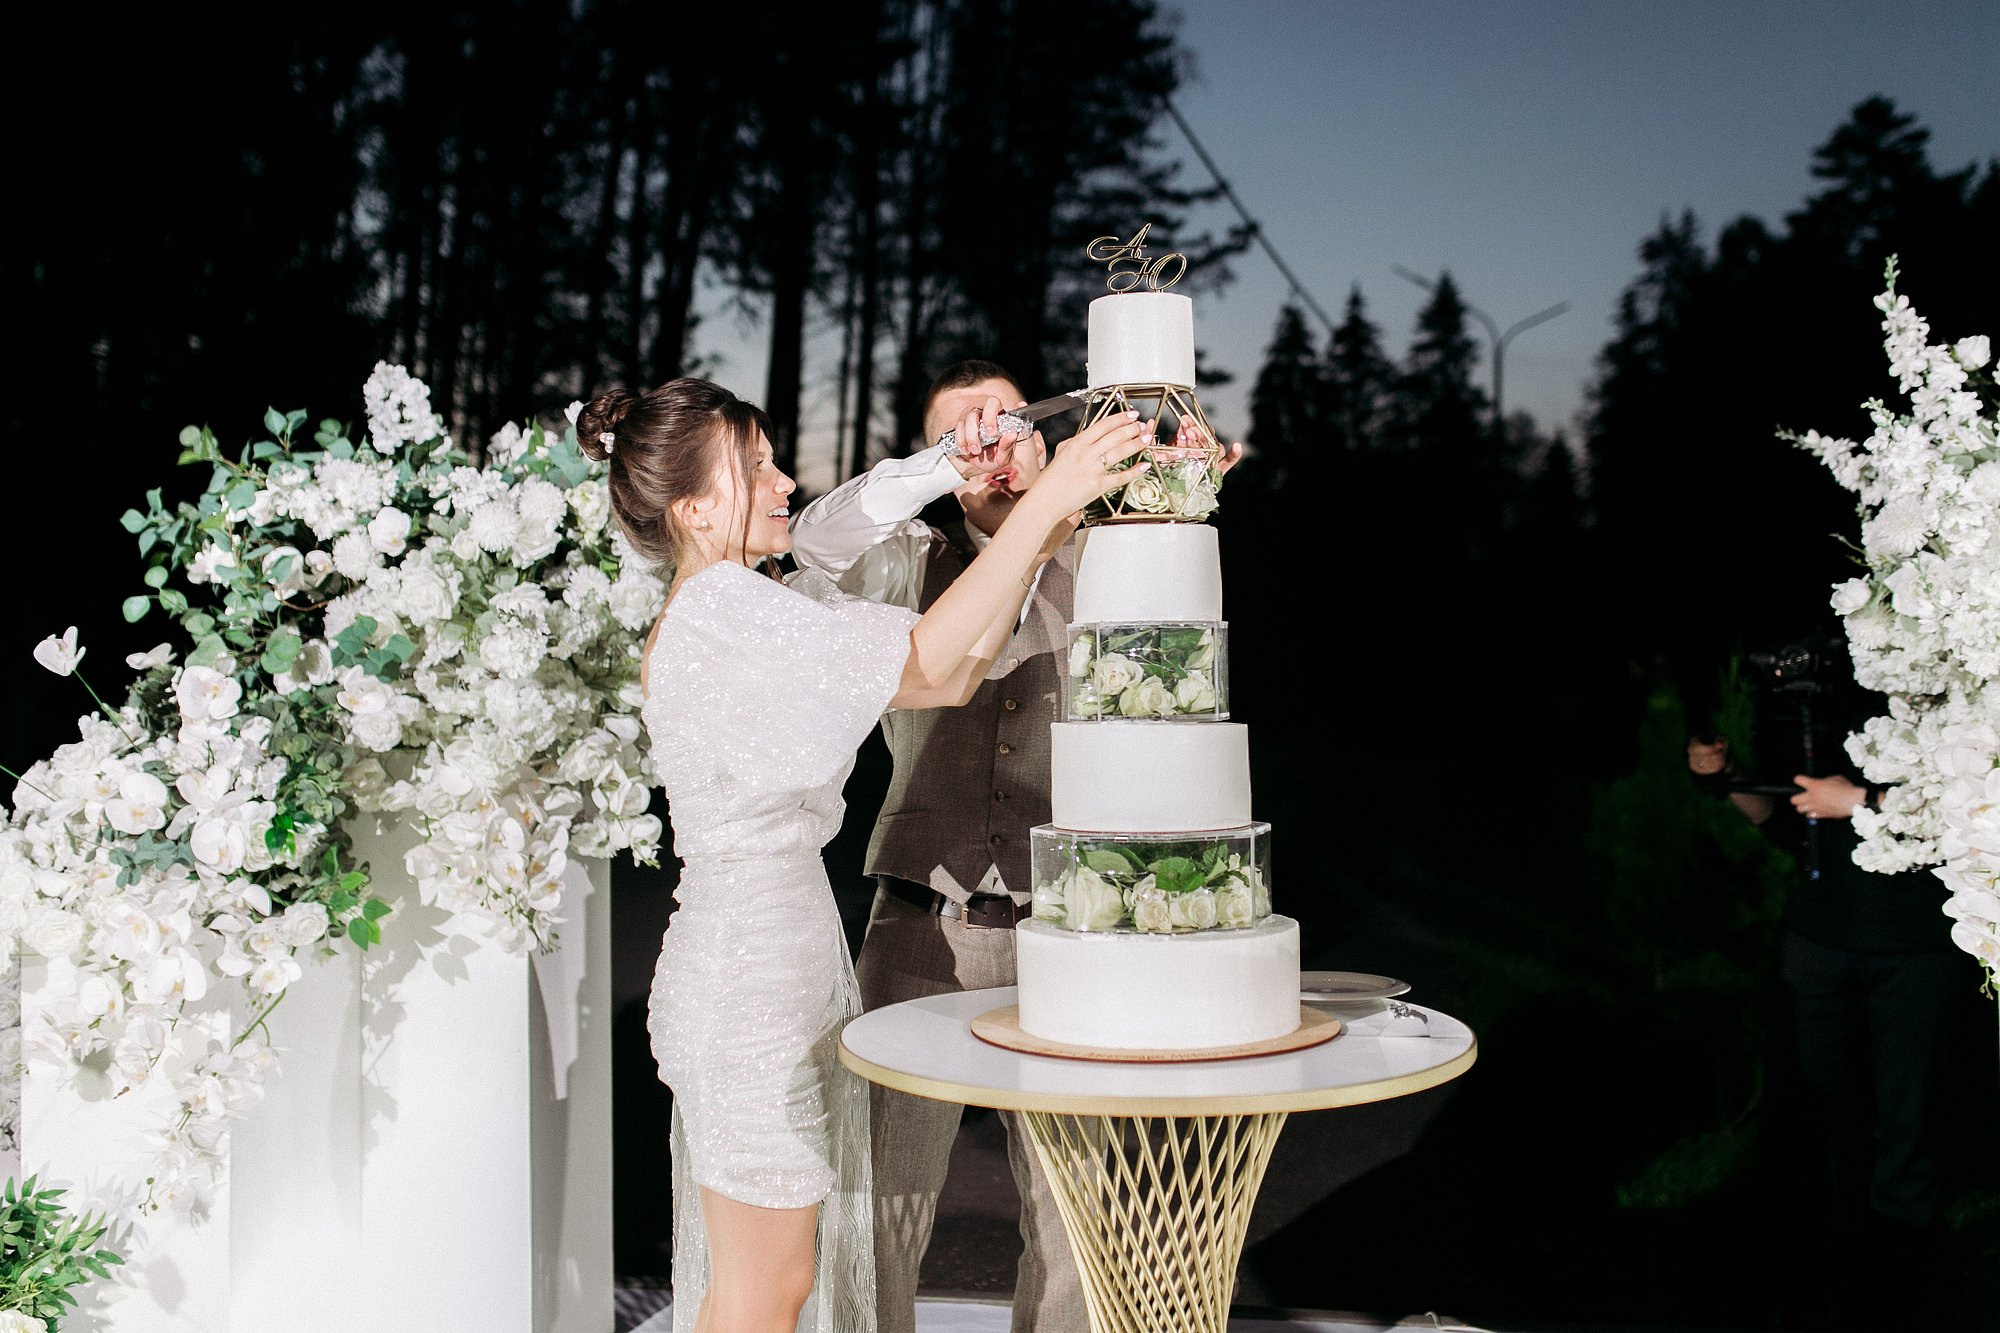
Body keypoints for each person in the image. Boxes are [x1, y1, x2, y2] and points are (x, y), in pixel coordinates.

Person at [579, 376, 1151, 1333]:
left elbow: (956, 669)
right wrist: (1049, 500)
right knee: (766, 1294)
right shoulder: (725, 606)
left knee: (773, 1286)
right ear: (695, 503)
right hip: (745, 990)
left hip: (778, 974)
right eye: (757, 464)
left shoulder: (753, 602)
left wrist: (968, 479)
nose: (784, 479)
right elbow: (928, 659)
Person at [789, 360, 1239, 1333]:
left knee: (1077, 1218)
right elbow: (814, 539)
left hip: (1069, 934)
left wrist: (1183, 485)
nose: (989, 444)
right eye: (963, 432)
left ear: (1043, 435)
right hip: (915, 917)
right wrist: (927, 469)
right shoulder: (900, 559)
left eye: (1003, 421)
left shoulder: (1118, 557)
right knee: (872, 1204)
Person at [1686, 637, 1967, 1324]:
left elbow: (1965, 812)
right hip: (1816, 938)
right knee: (1813, 1104)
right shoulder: (1818, 706)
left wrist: (1864, 799)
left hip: (1915, 943)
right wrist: (1726, 778)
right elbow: (1782, 817)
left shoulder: (1946, 699)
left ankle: (1903, 1279)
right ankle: (1816, 1260)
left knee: (1909, 1114)